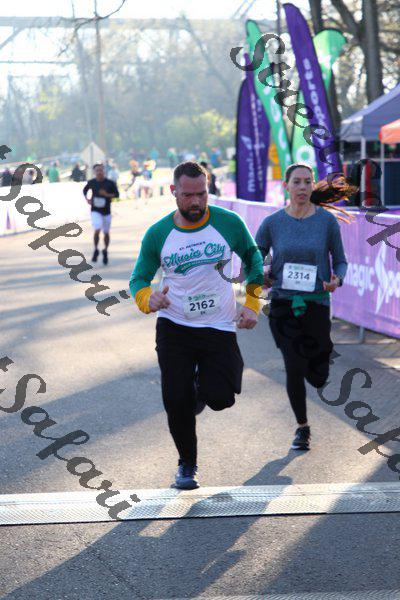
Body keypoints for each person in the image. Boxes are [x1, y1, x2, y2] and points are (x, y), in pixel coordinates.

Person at [129, 161, 264, 489]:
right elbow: (138, 279)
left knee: (221, 398)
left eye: (201, 194)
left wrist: (252, 304)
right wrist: (148, 299)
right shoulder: (158, 233)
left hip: (218, 325)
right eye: (188, 195)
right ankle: (187, 464)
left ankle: (198, 390)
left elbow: (254, 259)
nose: (196, 202)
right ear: (173, 192)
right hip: (175, 326)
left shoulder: (228, 223)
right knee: (176, 400)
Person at [255, 163, 358, 451]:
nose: (302, 187)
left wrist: (337, 279)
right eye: (297, 182)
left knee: (318, 374)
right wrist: (262, 271)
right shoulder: (273, 223)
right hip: (283, 305)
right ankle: (302, 428)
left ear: (313, 186)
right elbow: (256, 254)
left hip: (316, 303)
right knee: (293, 365)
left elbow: (340, 261)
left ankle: (318, 369)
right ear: (286, 186)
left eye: (307, 182)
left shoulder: (326, 222)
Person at [83, 163, 119, 265]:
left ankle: (105, 250)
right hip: (95, 210)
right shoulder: (91, 182)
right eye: (97, 170)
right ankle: (96, 249)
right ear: (94, 172)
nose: (99, 172)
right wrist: (87, 199)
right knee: (97, 228)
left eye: (101, 170)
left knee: (106, 232)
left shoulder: (110, 183)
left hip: (106, 211)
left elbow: (117, 195)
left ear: (104, 171)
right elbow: (84, 190)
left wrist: (107, 195)